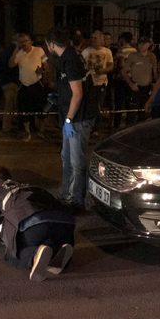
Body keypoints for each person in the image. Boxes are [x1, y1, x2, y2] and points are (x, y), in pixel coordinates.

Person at [0, 167, 75, 282]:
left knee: (13, 249)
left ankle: (35, 255)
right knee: (48, 239)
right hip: (65, 224)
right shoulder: (30, 187)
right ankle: (57, 250)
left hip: (35, 226)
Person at [46, 28, 97, 209]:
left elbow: (78, 93)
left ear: (51, 44)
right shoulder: (66, 59)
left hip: (78, 118)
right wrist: (58, 97)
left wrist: (68, 119)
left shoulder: (71, 60)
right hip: (72, 116)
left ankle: (78, 200)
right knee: (66, 158)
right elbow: (70, 89)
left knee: (77, 161)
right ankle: (66, 194)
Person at [9, 32, 48, 141]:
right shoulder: (19, 53)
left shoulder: (39, 50)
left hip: (37, 83)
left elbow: (46, 64)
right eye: (21, 42)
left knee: (41, 108)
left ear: (31, 41)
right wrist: (16, 49)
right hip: (24, 84)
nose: (24, 43)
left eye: (26, 41)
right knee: (24, 109)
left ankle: (41, 131)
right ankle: (27, 132)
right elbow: (11, 64)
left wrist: (42, 70)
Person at [81, 30, 114, 128]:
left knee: (98, 104)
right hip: (88, 82)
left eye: (95, 38)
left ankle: (96, 127)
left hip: (101, 82)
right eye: (92, 38)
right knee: (89, 104)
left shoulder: (107, 51)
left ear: (101, 39)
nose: (93, 40)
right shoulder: (86, 51)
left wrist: (103, 70)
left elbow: (111, 65)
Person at [122, 37, 158, 125]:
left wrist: (155, 85)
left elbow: (155, 72)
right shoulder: (132, 56)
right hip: (135, 87)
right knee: (132, 113)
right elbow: (123, 72)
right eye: (140, 44)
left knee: (145, 113)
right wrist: (131, 84)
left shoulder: (152, 56)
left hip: (147, 88)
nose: (142, 46)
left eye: (145, 44)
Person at [113, 32, 137, 129]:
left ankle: (116, 125)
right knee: (130, 103)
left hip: (121, 79)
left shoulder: (120, 52)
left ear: (122, 39)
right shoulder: (135, 51)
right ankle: (129, 125)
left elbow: (119, 66)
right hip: (131, 79)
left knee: (119, 103)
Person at [0, 34, 21, 133]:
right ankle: (7, 126)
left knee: (10, 104)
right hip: (11, 81)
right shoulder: (12, 50)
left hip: (7, 81)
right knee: (10, 105)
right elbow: (10, 65)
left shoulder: (6, 50)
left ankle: (8, 125)